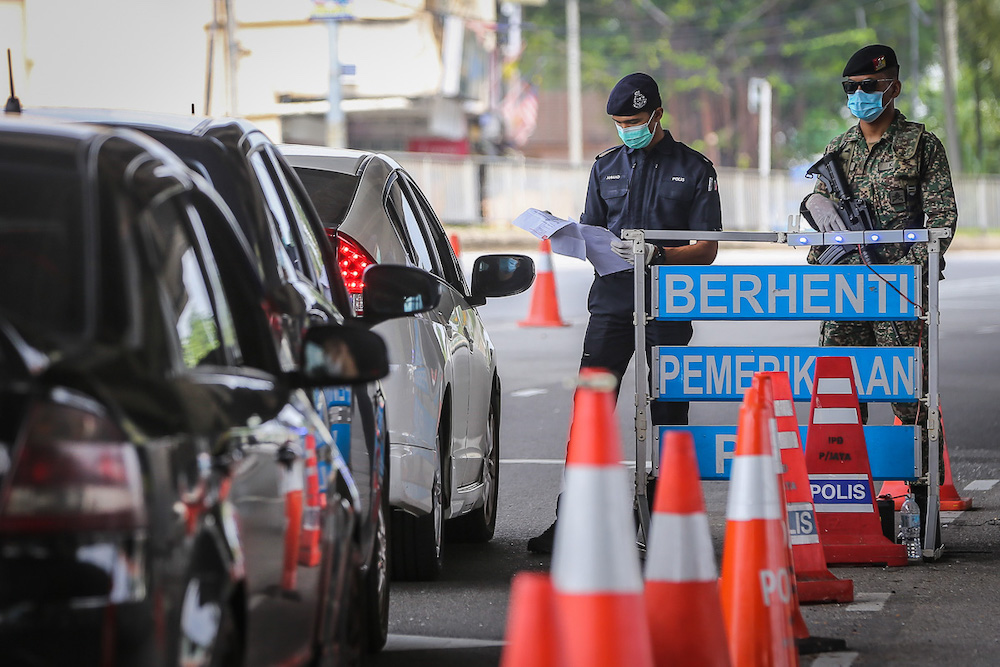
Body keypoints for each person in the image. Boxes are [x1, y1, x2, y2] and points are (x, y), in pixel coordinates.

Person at [527, 72, 722, 554]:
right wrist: (566, 234)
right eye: (618, 122)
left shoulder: (695, 168)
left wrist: (659, 255)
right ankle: (572, 519)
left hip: (669, 305)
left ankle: (665, 522)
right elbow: (592, 231)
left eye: (634, 121)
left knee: (669, 411)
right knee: (590, 409)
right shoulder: (605, 167)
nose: (626, 129)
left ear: (656, 115)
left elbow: (708, 247)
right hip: (612, 304)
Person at [800, 44, 957, 521]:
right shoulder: (839, 149)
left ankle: (924, 501)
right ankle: (846, 502)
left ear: (893, 86)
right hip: (845, 292)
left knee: (910, 396)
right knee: (840, 394)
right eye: (852, 88)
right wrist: (815, 205)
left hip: (899, 291)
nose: (861, 94)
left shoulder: (920, 144)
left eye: (869, 86)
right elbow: (819, 211)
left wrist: (902, 271)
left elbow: (943, 220)